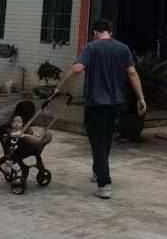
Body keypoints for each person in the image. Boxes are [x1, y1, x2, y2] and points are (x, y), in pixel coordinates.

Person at [53, 19, 146, 197]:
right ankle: (98, 172)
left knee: (98, 142)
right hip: (115, 104)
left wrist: (60, 87)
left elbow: (78, 69)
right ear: (110, 32)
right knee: (106, 139)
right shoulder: (123, 48)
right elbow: (132, 72)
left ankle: (104, 184)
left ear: (95, 32)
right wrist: (141, 97)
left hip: (96, 104)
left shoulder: (90, 48)